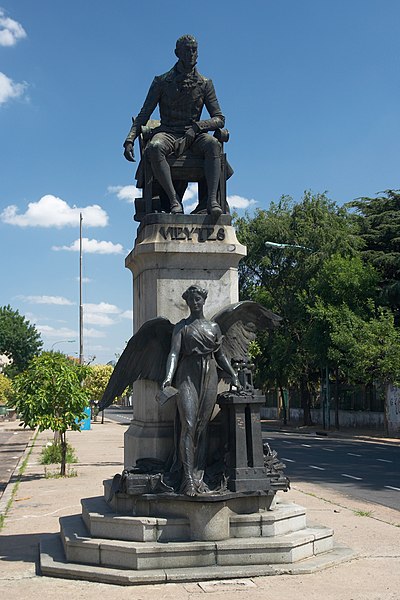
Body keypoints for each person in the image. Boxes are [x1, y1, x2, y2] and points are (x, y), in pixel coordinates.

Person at [123, 35, 225, 217]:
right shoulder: (161, 81)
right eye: (187, 50)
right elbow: (144, 114)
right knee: (154, 147)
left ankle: (211, 201)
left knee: (213, 144)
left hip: (194, 135)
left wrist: (197, 127)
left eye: (194, 50)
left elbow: (219, 119)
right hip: (168, 132)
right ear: (177, 53)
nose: (191, 54)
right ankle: (173, 200)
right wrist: (130, 139)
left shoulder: (205, 83)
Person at [162, 285, 241, 496]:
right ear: (187, 302)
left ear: (203, 300)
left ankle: (199, 476)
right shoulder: (182, 327)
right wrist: (168, 378)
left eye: (198, 299)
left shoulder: (214, 327)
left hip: (210, 374)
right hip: (187, 375)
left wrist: (232, 373)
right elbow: (173, 354)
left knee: (202, 427)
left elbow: (220, 355)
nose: (195, 302)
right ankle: (187, 480)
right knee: (188, 424)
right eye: (191, 299)